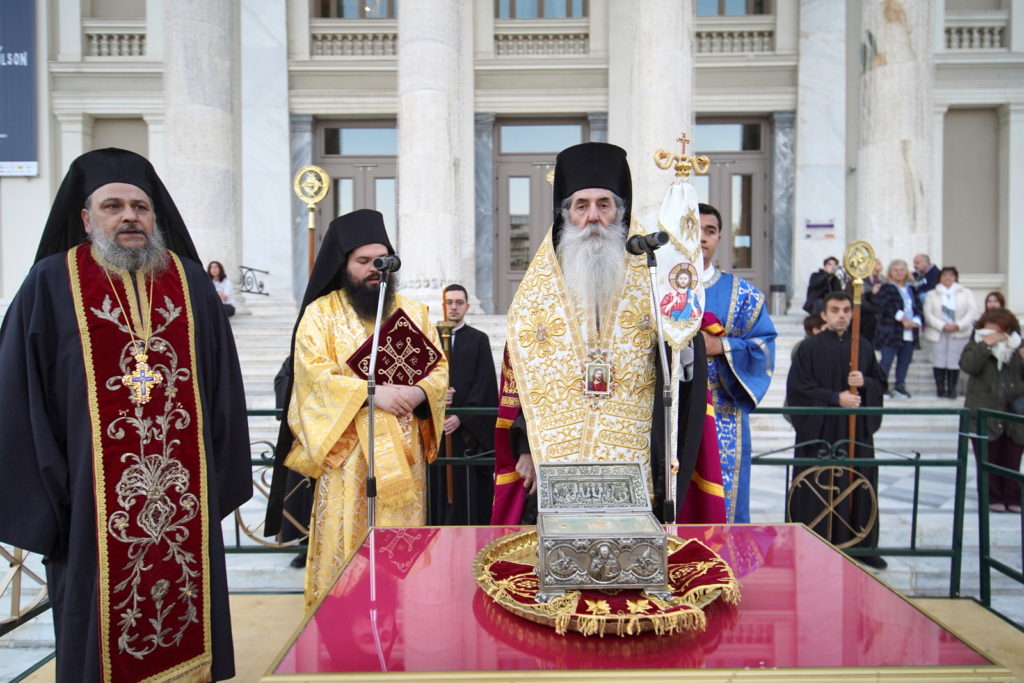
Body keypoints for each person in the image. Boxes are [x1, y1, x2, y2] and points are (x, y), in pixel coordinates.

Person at [0, 148, 252, 682]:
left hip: (185, 501)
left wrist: (219, 477)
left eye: (140, 206)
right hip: (90, 505)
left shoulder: (188, 282)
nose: (129, 216)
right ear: (87, 218)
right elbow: (21, 396)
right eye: (112, 206)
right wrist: (55, 497)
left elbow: (222, 386)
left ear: (155, 216)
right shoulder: (51, 282)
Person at [490, 142, 710, 525]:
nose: (593, 217)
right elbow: (522, 375)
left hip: (634, 447)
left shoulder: (654, 275)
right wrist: (525, 446)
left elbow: (681, 363)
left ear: (620, 212)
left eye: (604, 205)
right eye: (581, 205)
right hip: (559, 453)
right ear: (566, 214)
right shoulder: (536, 293)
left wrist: (684, 348)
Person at [267, 209, 448, 610]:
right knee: (344, 556)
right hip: (348, 462)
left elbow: (438, 372)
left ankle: (401, 623)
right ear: (344, 265)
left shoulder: (414, 314)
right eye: (363, 262)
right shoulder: (321, 315)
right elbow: (312, 379)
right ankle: (339, 627)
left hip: (405, 462)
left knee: (400, 563)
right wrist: (371, 392)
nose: (374, 270)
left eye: (381, 261)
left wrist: (420, 393)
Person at [786, 291, 888, 568]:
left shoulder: (863, 347)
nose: (842, 314)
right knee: (818, 486)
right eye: (835, 310)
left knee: (858, 485)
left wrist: (865, 381)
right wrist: (835, 398)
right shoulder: (809, 348)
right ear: (824, 315)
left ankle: (862, 546)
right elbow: (798, 390)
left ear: (852, 314)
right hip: (821, 431)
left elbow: (881, 383)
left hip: (856, 433)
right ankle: (811, 544)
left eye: (846, 310)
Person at [698, 202, 777, 523]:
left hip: (722, 416)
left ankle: (719, 566)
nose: (701, 237)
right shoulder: (652, 289)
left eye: (710, 231)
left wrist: (720, 346)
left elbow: (763, 347)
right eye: (693, 228)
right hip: (666, 417)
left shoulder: (742, 294)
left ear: (719, 239)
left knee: (721, 502)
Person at [428, 283, 499, 525]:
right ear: (443, 306)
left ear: (467, 306)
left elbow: (485, 385)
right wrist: (437, 398)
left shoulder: (478, 340)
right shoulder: (430, 340)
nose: (454, 307)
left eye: (459, 303)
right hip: (436, 429)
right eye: (449, 303)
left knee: (465, 488)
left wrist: (462, 417)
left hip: (467, 433)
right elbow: (420, 381)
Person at [960, 308, 1024, 513]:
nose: (994, 335)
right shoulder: (976, 345)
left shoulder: (1017, 347)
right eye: (989, 331)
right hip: (983, 413)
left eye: (998, 331)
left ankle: (1013, 497)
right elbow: (968, 366)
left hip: (1014, 415)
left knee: (1012, 459)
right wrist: (985, 345)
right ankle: (992, 497)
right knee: (987, 459)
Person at [922, 266, 978, 398]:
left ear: (956, 278)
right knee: (939, 360)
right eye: (944, 275)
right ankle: (940, 389)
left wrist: (958, 325)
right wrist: (942, 325)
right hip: (938, 331)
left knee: (954, 360)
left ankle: (952, 389)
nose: (947, 278)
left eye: (951, 275)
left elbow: (972, 312)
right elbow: (928, 313)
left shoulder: (966, 293)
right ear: (939, 278)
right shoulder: (932, 294)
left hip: (958, 332)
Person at [874, 259, 922, 399]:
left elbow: (917, 306)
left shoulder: (911, 288)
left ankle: (900, 386)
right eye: (896, 270)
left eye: (902, 270)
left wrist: (916, 321)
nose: (899, 272)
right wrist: (903, 320)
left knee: (905, 360)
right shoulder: (886, 287)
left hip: (909, 332)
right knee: (887, 360)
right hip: (891, 331)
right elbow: (886, 306)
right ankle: (881, 387)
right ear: (890, 272)